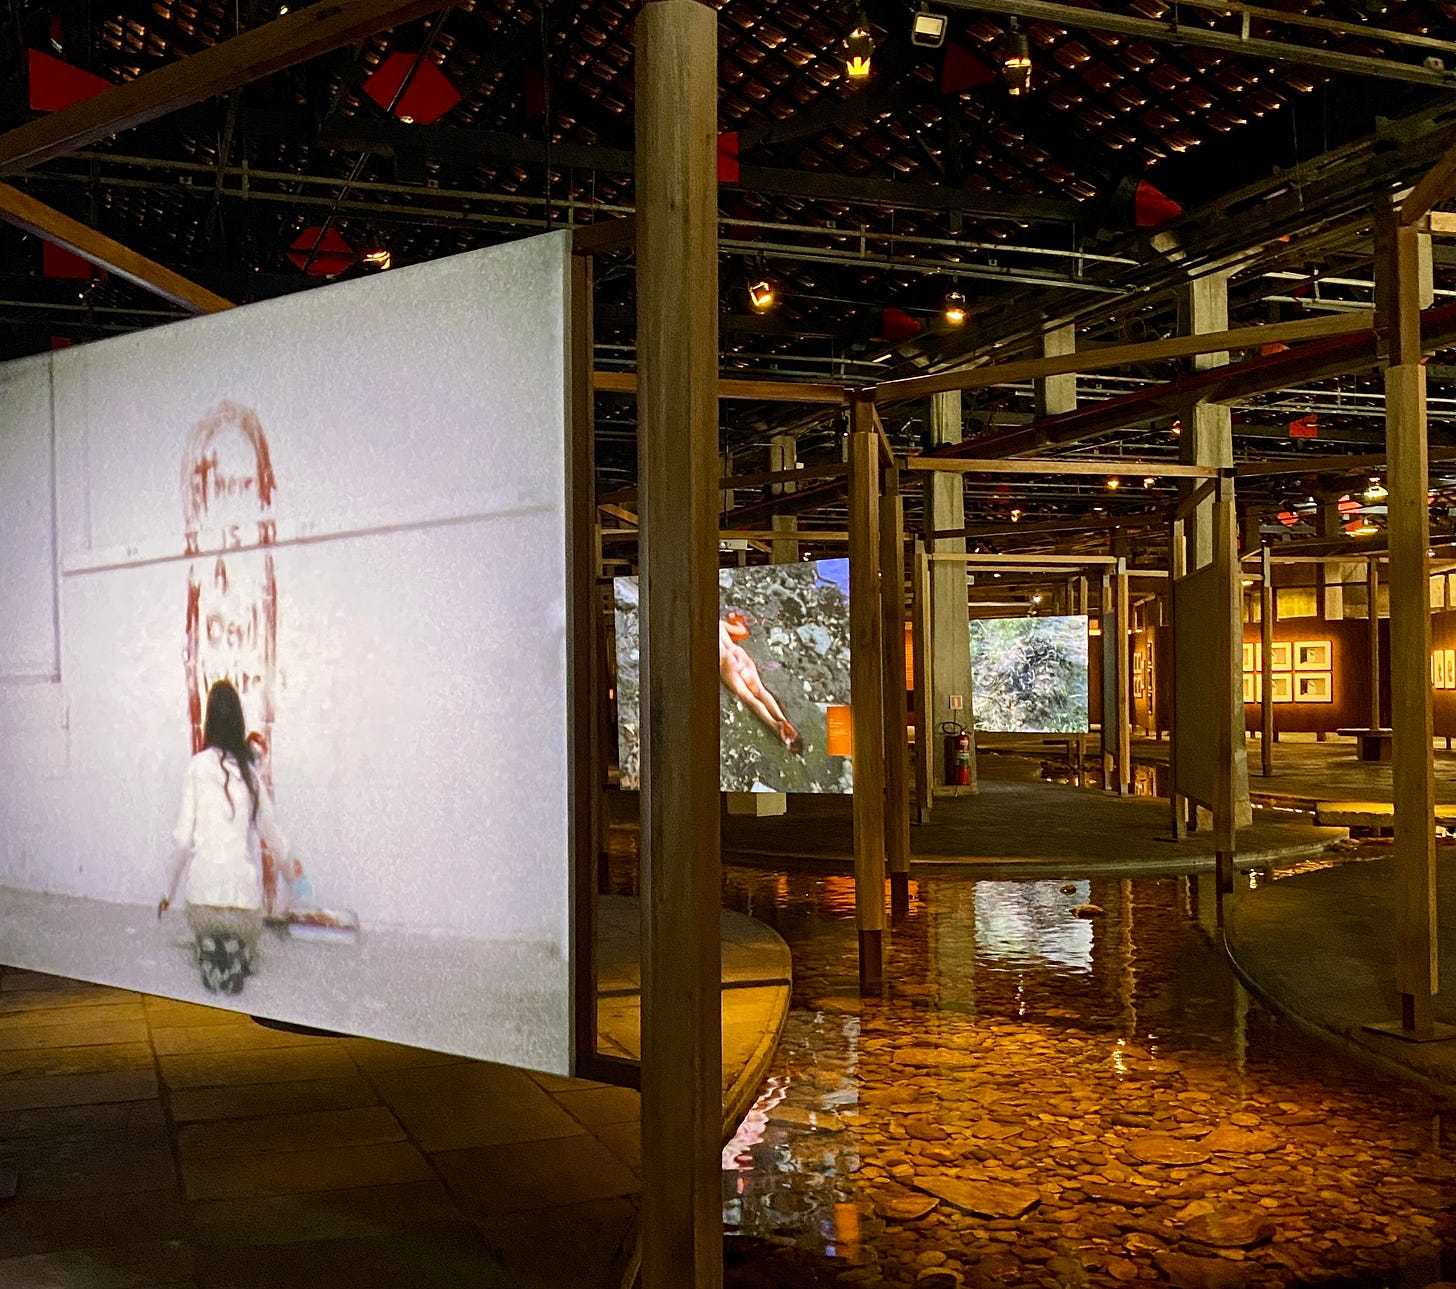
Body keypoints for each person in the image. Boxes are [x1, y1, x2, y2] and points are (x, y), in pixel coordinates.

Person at [159, 679, 292, 994]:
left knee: (206, 918)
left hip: (202, 906)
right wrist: (296, 879)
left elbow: (181, 841)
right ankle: (240, 950)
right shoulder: (249, 773)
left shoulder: (196, 767)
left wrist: (168, 893)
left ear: (209, 722)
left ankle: (210, 946)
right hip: (243, 907)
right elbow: (275, 838)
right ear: (238, 722)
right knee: (246, 930)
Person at [718, 612, 803, 755]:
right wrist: (735, 620)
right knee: (759, 690)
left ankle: (774, 725)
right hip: (739, 654)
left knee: (748, 697)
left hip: (725, 660)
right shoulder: (720, 624)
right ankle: (782, 719)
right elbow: (742, 630)